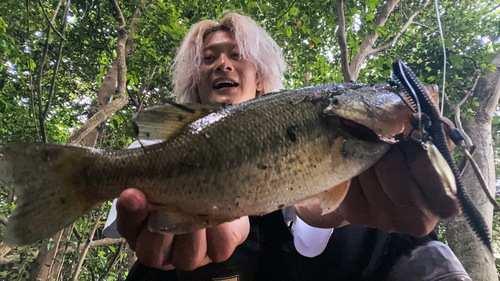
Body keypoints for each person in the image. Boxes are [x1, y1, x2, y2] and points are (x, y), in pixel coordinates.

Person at [103, 12, 471, 281]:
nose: (223, 65)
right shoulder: (154, 144)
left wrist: (337, 213)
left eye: (236, 54)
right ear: (194, 81)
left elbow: (317, 209)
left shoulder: (321, 124)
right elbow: (135, 219)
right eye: (209, 58)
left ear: (260, 79)